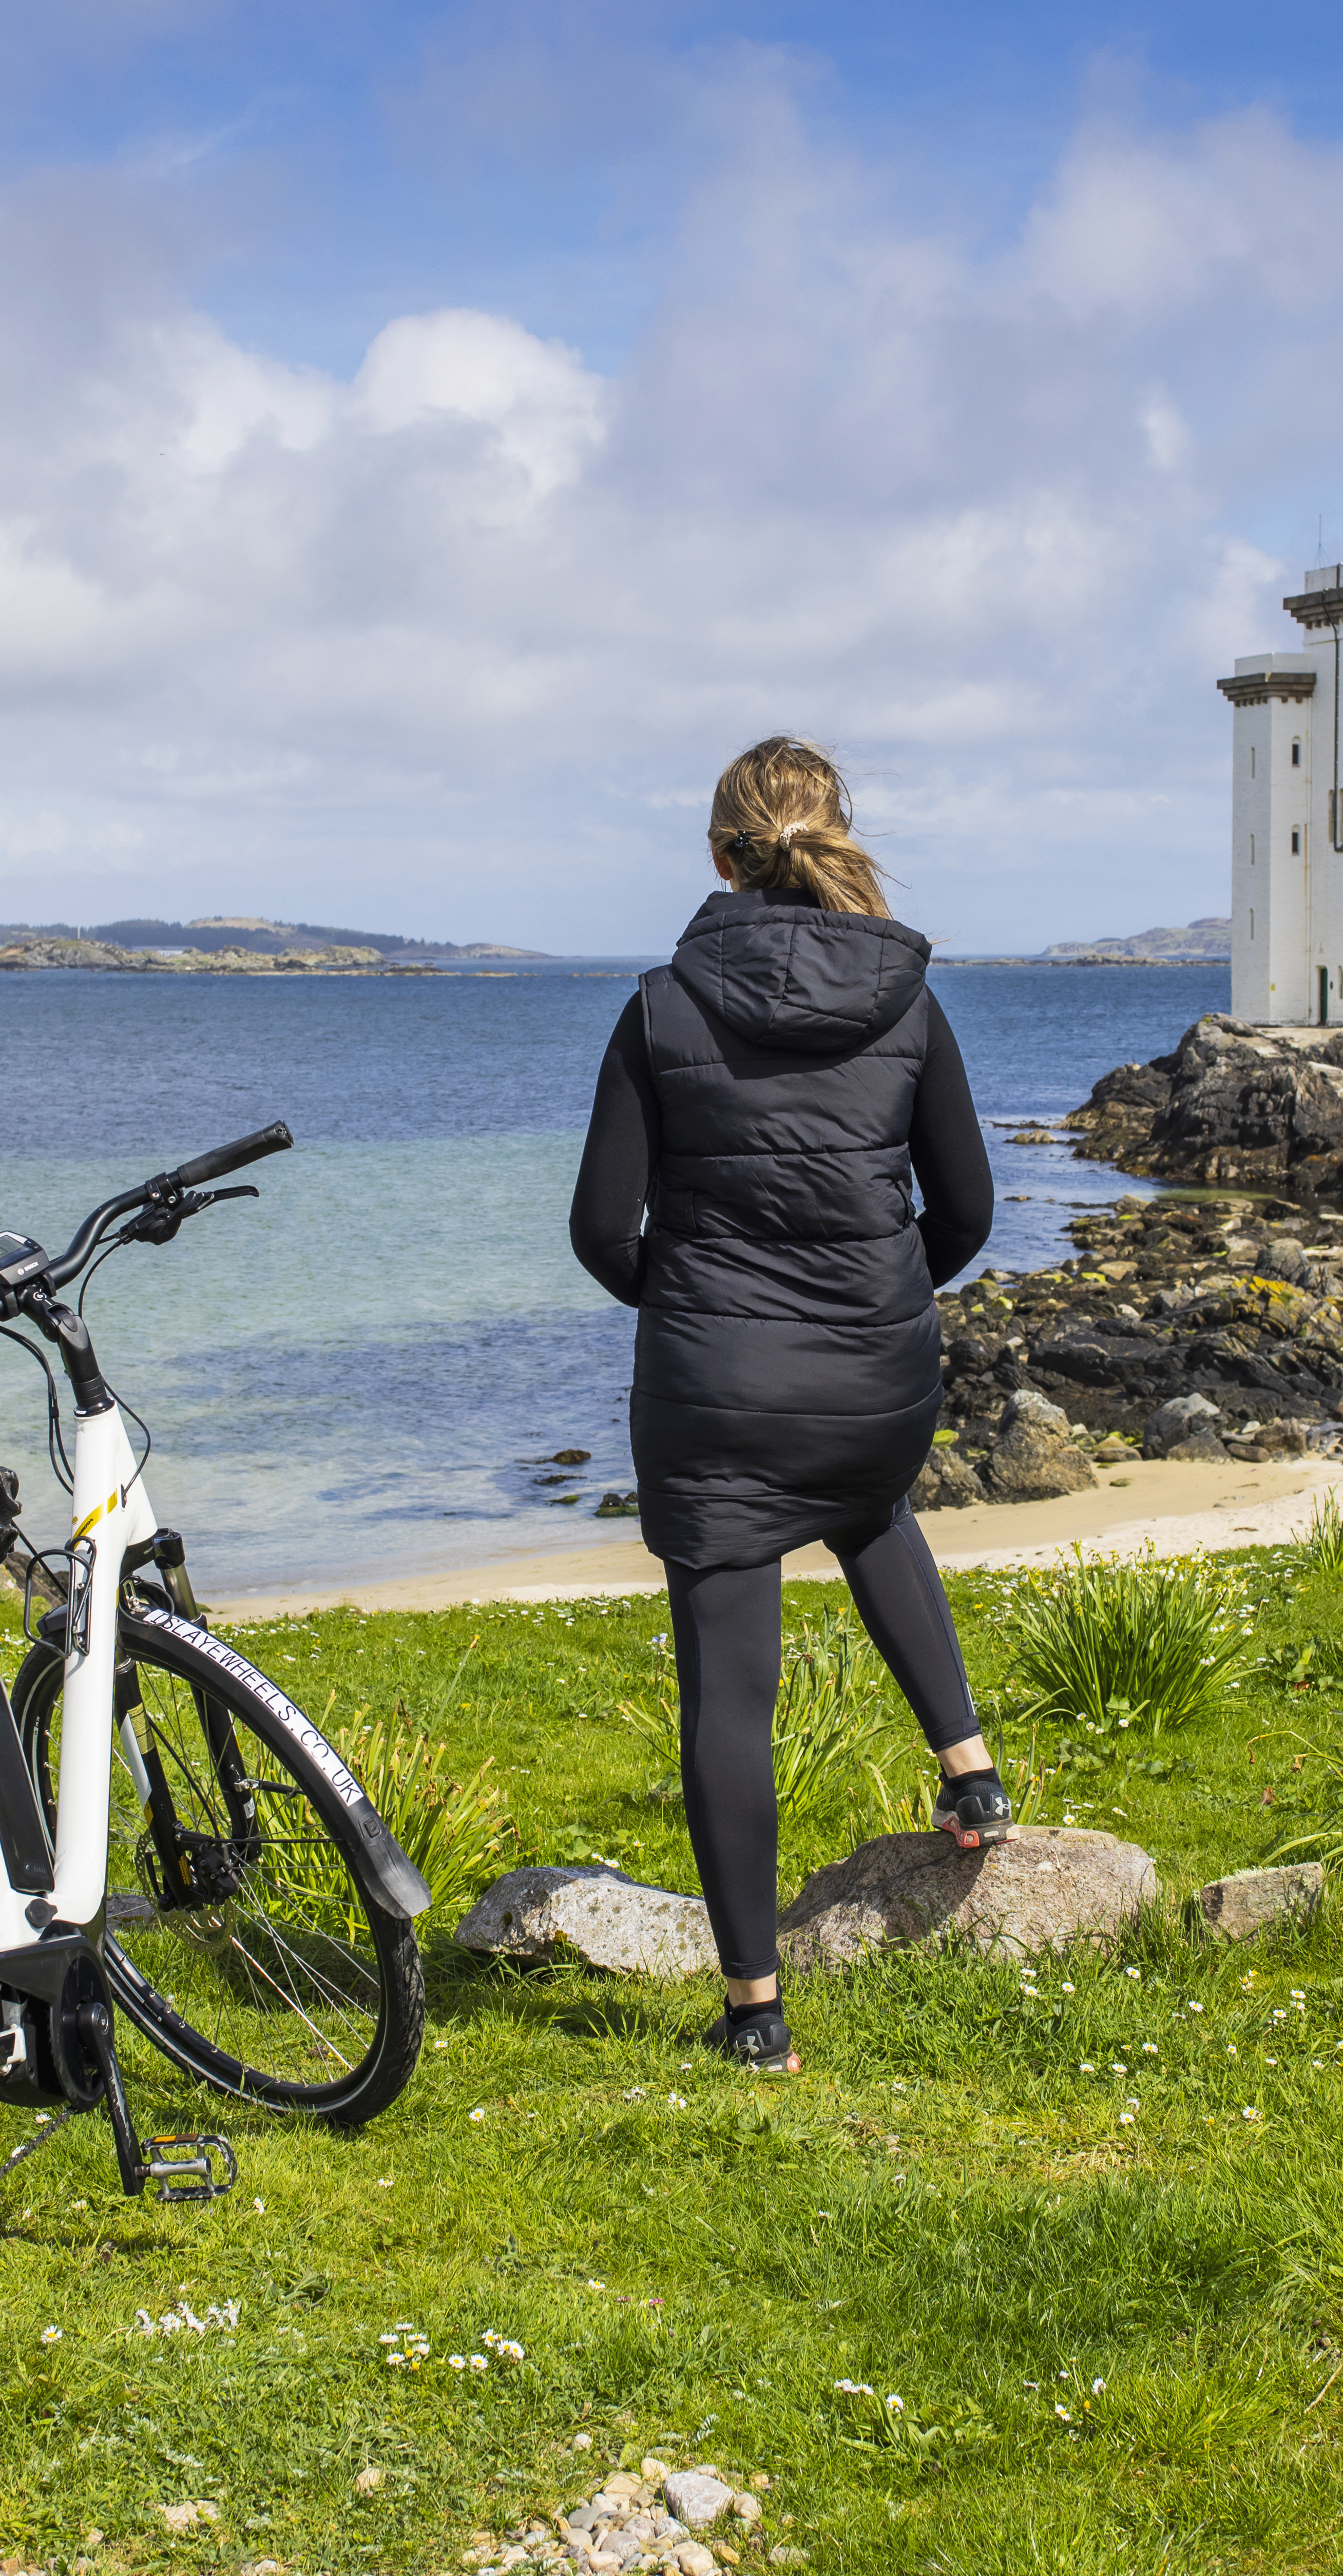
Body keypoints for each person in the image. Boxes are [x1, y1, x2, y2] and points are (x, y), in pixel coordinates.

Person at [568, 736, 1007, 2074]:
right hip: (876, 1375)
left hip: (716, 1386)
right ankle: (969, 1770)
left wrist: (703, 1314)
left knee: (727, 1699)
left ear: (718, 855)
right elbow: (970, 1212)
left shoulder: (659, 1007)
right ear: (838, 840)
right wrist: (872, 1299)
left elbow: (599, 1230)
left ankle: (756, 2016)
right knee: (869, 1503)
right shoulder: (910, 998)